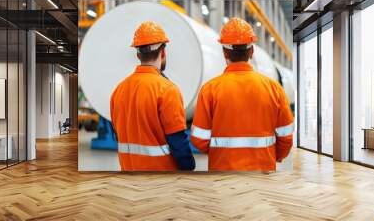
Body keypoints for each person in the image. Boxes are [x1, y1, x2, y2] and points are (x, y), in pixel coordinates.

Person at [190, 18, 294, 171]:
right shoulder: (274, 88)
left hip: (223, 170)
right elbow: (286, 137)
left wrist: (220, 153)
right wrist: (275, 155)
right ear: (251, 52)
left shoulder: (209, 90)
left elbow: (199, 139)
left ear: (224, 53)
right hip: (263, 170)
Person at [110, 21, 195, 171]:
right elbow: (178, 143)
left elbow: (118, 135)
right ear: (163, 53)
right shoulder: (167, 90)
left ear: (138, 55)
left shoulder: (119, 90)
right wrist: (189, 166)